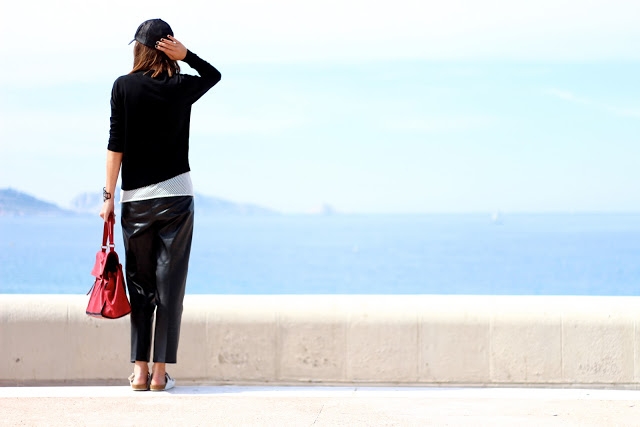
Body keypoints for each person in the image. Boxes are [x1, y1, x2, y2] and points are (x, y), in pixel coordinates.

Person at [100, 18, 221, 391]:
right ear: (169, 49)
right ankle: (158, 374)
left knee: (140, 286)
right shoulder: (181, 86)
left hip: (136, 200)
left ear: (139, 48)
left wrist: (108, 197)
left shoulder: (123, 86)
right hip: (176, 198)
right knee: (170, 287)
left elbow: (115, 145)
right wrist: (188, 56)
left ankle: (138, 371)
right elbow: (213, 75)